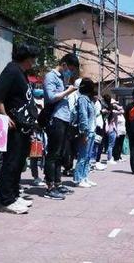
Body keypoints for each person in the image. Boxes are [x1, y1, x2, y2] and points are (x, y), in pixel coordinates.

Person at [0, 43, 38, 214]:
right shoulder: (11, 70)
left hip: (24, 126)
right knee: (11, 162)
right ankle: (7, 200)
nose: (34, 62)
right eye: (33, 59)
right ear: (27, 59)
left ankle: (15, 194)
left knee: (19, 163)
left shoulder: (22, 73)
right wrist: (3, 115)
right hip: (14, 127)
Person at [42, 53, 79, 200]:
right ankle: (50, 186)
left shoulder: (62, 78)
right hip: (55, 119)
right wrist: (68, 91)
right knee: (53, 153)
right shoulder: (50, 76)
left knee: (60, 154)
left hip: (64, 119)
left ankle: (57, 183)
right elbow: (51, 98)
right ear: (64, 64)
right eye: (69, 68)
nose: (70, 72)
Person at [72, 78, 97, 188]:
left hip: (91, 131)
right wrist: (83, 133)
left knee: (87, 157)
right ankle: (78, 179)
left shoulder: (89, 100)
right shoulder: (82, 99)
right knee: (82, 156)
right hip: (86, 132)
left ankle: (85, 177)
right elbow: (83, 116)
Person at [103, 94, 123, 165]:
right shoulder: (112, 111)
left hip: (110, 129)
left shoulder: (110, 111)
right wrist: (116, 105)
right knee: (111, 145)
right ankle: (109, 158)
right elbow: (122, 111)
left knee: (110, 144)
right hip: (111, 129)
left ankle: (110, 158)